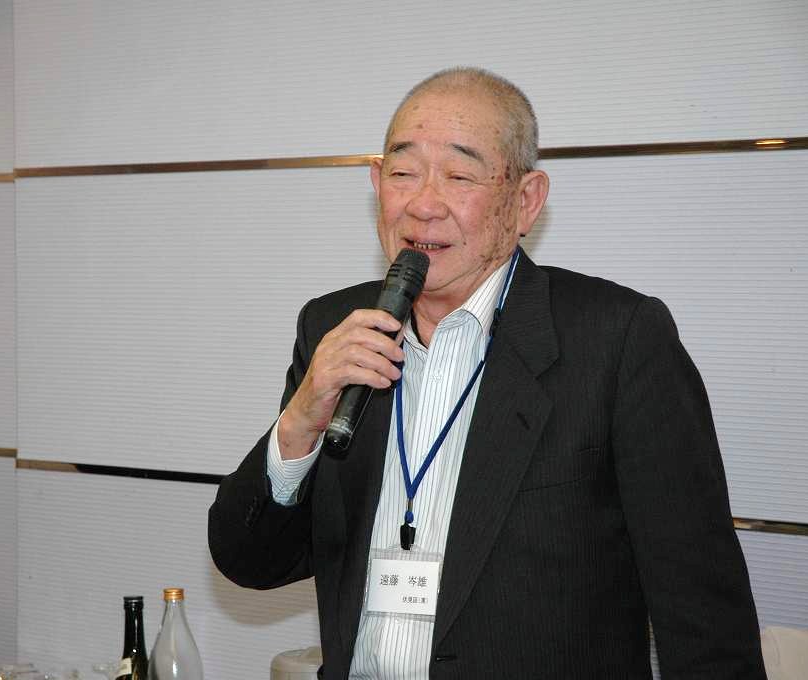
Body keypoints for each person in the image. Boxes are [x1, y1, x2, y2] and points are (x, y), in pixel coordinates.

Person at [208, 67, 766, 679]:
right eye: (403, 173)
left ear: (526, 201)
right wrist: (298, 425)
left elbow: (704, 620)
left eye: (459, 176)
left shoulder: (617, 340)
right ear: (376, 183)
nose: (423, 204)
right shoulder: (333, 327)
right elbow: (251, 562)